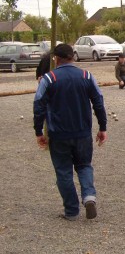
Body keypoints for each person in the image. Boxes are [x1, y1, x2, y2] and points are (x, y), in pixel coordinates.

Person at [33, 43, 107, 220]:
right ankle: (89, 196)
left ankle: (72, 210)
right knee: (84, 165)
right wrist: (102, 127)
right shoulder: (86, 76)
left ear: (56, 59)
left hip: (58, 134)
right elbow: (98, 102)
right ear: (72, 56)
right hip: (82, 132)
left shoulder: (48, 79)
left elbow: (38, 106)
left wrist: (38, 132)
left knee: (64, 171)